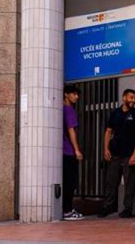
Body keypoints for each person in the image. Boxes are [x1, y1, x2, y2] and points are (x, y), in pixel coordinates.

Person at [98, 89, 135, 218]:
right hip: (115, 154)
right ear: (124, 98)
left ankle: (128, 209)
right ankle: (108, 207)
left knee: (130, 183)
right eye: (131, 97)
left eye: (134, 98)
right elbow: (108, 132)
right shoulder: (115, 113)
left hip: (129, 154)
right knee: (111, 181)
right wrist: (106, 149)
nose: (133, 100)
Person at [62, 84, 84, 221]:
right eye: (74, 94)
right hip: (68, 151)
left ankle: (66, 209)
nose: (77, 97)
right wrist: (77, 150)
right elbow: (71, 130)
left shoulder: (59, 110)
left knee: (65, 182)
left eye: (77, 94)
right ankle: (68, 211)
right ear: (66, 94)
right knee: (70, 183)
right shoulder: (69, 110)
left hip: (61, 152)